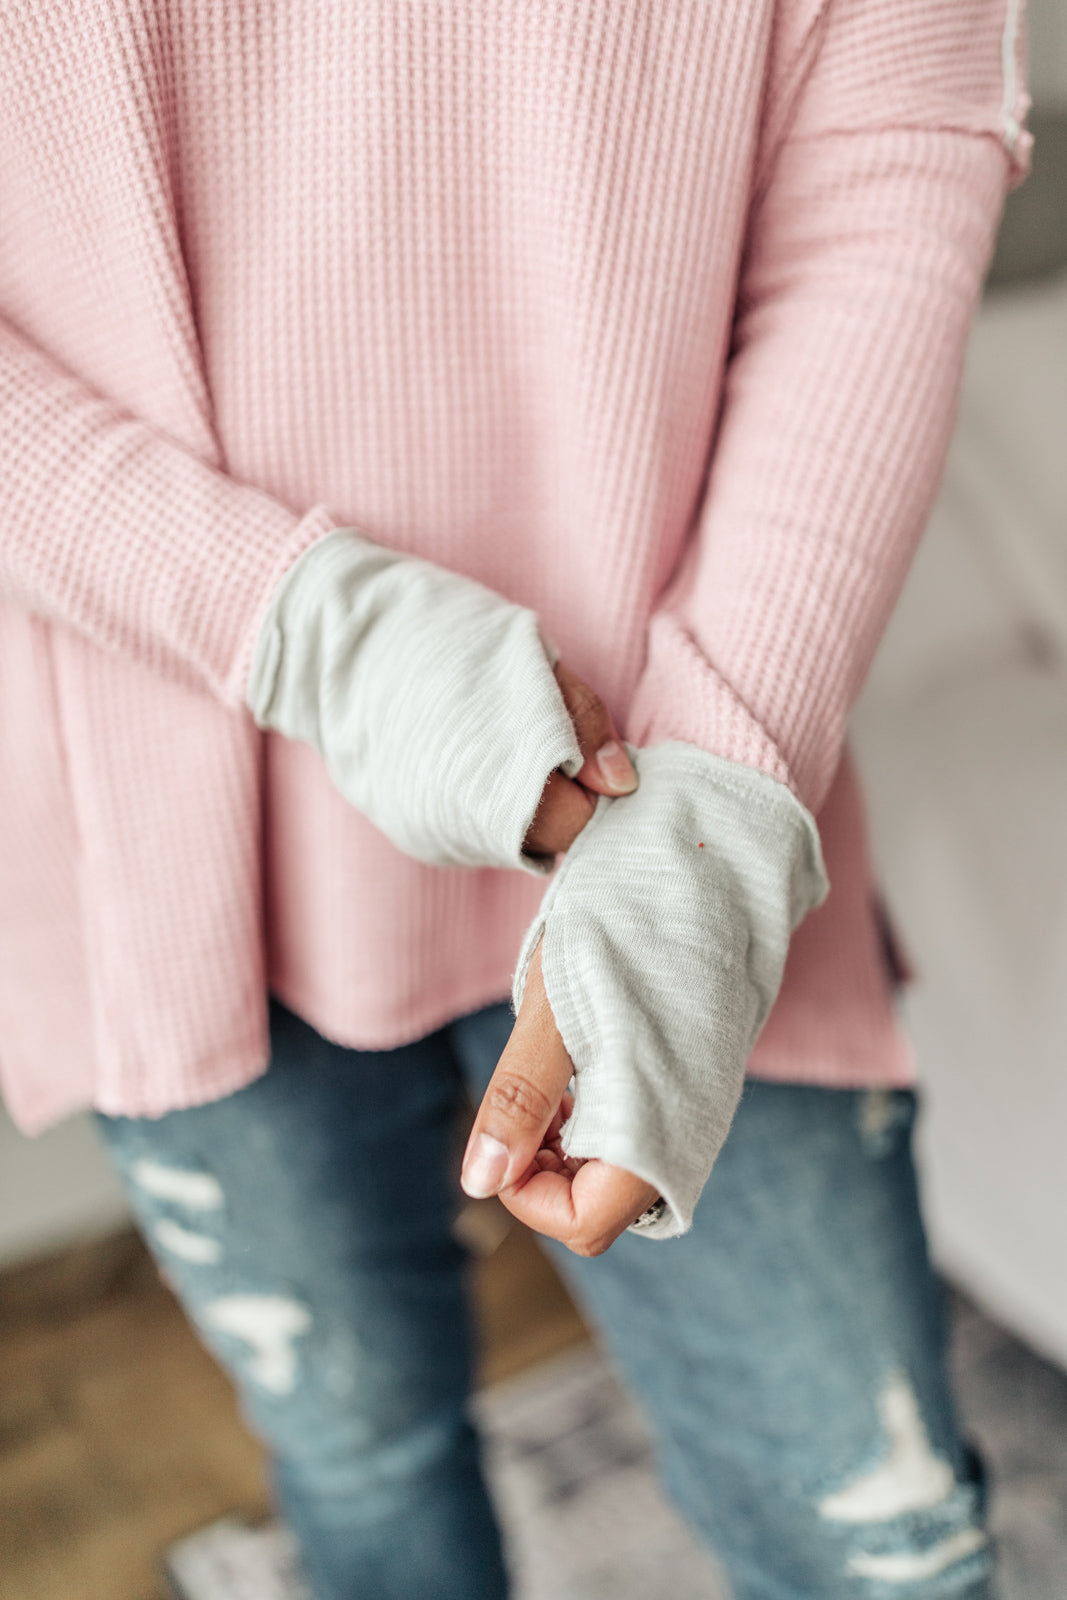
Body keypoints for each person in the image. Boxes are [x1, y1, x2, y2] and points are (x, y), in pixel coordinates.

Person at [0, 2, 1031, 1596]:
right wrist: (303, 626)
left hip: (677, 783)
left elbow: (886, 177)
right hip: (164, 793)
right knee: (361, 1457)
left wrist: (714, 806)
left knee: (882, 1539)